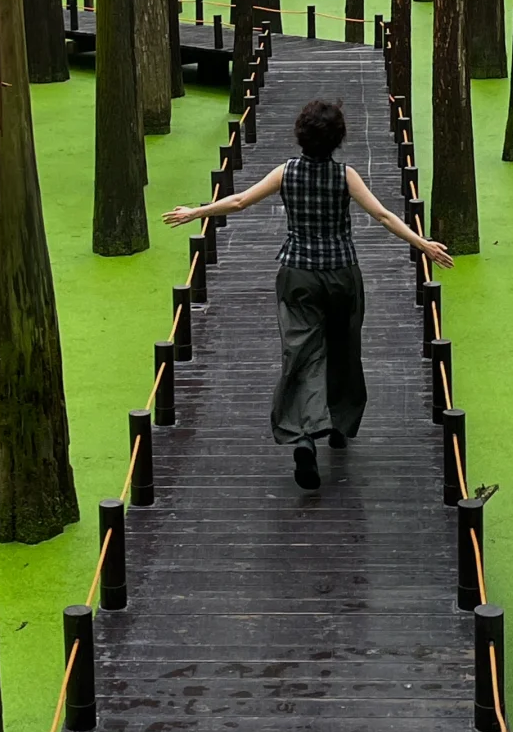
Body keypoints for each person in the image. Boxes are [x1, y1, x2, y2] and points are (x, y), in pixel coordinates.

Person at [163, 98, 453, 490]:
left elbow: (240, 200)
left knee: (301, 352)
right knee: (344, 348)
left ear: (301, 134)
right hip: (341, 274)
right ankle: (339, 423)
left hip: (298, 274)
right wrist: (423, 244)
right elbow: (383, 215)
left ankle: (302, 437)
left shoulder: (286, 172)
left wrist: (196, 213)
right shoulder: (346, 176)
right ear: (338, 139)